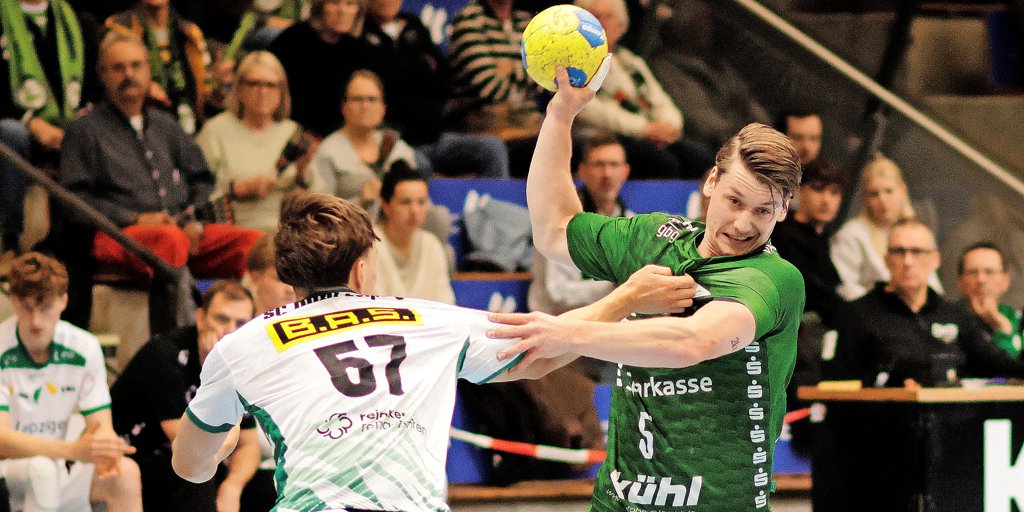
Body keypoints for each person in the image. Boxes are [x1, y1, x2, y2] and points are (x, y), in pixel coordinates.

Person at [170, 192, 695, 510]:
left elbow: (189, 468)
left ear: (289, 274)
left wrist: (218, 447)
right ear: (361, 270)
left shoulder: (242, 345)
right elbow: (543, 350)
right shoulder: (427, 319)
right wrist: (627, 297)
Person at [488, 65, 806, 511]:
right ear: (711, 182)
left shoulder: (773, 277)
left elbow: (694, 341)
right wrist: (560, 116)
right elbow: (554, 228)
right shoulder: (657, 238)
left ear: (784, 210)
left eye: (762, 211)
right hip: (620, 502)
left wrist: (568, 332)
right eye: (735, 201)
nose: (742, 224)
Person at [59, 31, 263, 283]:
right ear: (102, 74)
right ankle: (183, 309)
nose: (129, 74)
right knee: (170, 240)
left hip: (179, 229)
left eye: (136, 65)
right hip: (119, 235)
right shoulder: (84, 130)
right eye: (118, 68)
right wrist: (135, 218)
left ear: (148, 70)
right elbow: (73, 201)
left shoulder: (164, 123)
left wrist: (192, 221)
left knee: (254, 244)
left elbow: (202, 179)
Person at [0, 252, 142, 512]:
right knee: (41, 470)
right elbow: (1, 440)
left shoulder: (84, 347)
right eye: (27, 308)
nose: (36, 321)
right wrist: (72, 451)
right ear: (13, 300)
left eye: (45, 307)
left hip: (60, 460)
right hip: (9, 471)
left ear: (63, 301)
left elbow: (100, 424)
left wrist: (104, 447)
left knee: (125, 473)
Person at [110, 281, 262, 512]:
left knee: (266, 485)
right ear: (200, 319)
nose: (230, 331)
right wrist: (219, 373)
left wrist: (233, 487)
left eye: (241, 324)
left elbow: (248, 445)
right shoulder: (164, 354)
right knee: (196, 476)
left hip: (187, 462)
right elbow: (192, 447)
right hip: (136, 458)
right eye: (222, 319)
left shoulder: (241, 363)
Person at [824, 220, 1024, 386]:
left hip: (949, 418)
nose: (908, 261)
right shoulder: (856, 315)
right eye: (899, 252)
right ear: (887, 259)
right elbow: (835, 385)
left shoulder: (954, 315)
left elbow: (1000, 366)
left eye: (917, 252)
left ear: (935, 260)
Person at [362, 0, 510, 178]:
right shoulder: (361, 32)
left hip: (435, 136)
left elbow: (443, 77)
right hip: (394, 139)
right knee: (418, 166)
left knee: (492, 149)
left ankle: (493, 197)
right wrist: (417, 69)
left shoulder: (413, 25)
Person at [573, 0, 714, 180]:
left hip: (647, 133)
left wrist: (669, 126)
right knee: (662, 162)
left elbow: (660, 100)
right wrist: (644, 129)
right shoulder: (575, 62)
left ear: (621, 25)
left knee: (698, 157)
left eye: (609, 17)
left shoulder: (631, 62)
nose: (602, 23)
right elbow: (588, 109)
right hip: (604, 135)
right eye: (596, 16)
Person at [196, 51, 314, 233]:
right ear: (239, 88)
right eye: (254, 84)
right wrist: (236, 189)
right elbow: (196, 191)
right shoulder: (215, 131)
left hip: (288, 233)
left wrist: (302, 175)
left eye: (271, 85)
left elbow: (316, 198)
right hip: (236, 231)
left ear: (281, 92)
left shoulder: (293, 132)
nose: (263, 92)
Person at [528, 131, 632, 317]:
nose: (607, 174)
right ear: (583, 171)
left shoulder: (631, 223)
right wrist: (619, 286)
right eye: (599, 165)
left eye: (614, 165)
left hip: (608, 325)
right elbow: (557, 294)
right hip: (556, 324)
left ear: (625, 172)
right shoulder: (559, 222)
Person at [831, 155, 942, 301]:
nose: (882, 200)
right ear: (865, 199)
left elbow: (933, 285)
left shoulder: (918, 235)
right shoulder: (852, 234)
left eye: (889, 191)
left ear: (902, 191)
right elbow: (844, 286)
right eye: (874, 194)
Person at [105, 0, 223, 135]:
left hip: (187, 129)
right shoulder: (120, 28)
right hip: (135, 129)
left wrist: (217, 84)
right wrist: (145, 87)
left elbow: (205, 95)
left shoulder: (190, 33)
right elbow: (108, 80)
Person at [269, 0, 378, 137]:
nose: (342, 11)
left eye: (350, 4)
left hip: (340, 138)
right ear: (320, 7)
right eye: (334, 3)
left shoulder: (361, 51)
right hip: (288, 133)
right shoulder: (292, 40)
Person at [446, 0, 535, 131]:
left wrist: (511, 68)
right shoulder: (470, 19)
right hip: (482, 124)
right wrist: (526, 72)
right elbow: (489, 87)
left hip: (530, 120)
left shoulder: (527, 21)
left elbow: (544, 76)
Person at [374, 165, 455, 303]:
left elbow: (446, 301)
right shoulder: (370, 244)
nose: (414, 211)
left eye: (421, 202)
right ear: (385, 205)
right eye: (405, 202)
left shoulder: (432, 244)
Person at [956, 243, 1022, 358]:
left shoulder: (1017, 320)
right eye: (972, 272)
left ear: (1005, 281)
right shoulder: (947, 318)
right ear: (960, 282)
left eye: (989, 272)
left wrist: (1001, 326)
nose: (981, 280)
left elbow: (1013, 365)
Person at [243, 234, 296, 316]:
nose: (291, 290)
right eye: (281, 279)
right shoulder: (235, 320)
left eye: (296, 279)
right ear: (255, 278)